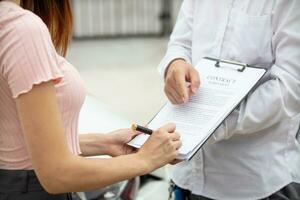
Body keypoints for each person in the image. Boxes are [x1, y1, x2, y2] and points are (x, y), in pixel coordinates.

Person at [0, 0, 182, 199]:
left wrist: (102, 143)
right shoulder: (21, 29)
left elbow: (16, 142)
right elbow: (56, 174)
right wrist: (146, 160)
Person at [159, 0, 300, 199]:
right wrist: (175, 64)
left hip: (254, 182)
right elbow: (180, 43)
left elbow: (290, 87)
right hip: (187, 177)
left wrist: (214, 124)